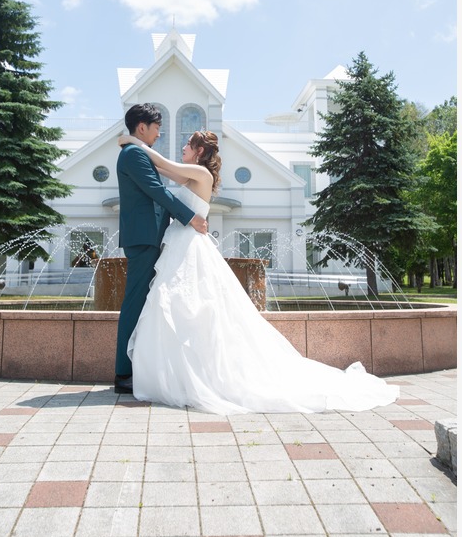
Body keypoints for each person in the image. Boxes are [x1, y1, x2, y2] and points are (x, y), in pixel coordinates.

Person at [117, 129, 399, 414]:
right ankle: (177, 373)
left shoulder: (201, 175)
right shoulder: (192, 175)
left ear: (199, 152)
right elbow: (162, 169)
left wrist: (133, 143)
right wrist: (139, 154)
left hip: (189, 245)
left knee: (188, 304)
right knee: (176, 304)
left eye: (188, 144)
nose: (183, 147)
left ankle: (193, 375)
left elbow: (166, 165)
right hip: (179, 243)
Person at [114, 104, 208, 395]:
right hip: (143, 238)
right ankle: (123, 373)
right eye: (156, 127)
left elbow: (170, 179)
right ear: (142, 127)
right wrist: (190, 216)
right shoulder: (133, 155)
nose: (159, 132)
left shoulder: (136, 151)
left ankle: (143, 366)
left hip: (152, 236)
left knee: (149, 303)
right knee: (135, 302)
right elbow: (158, 191)